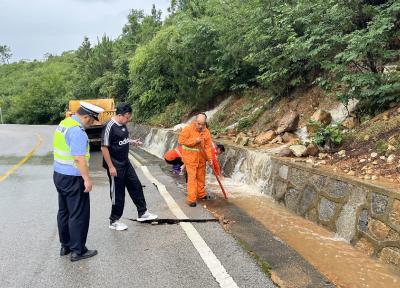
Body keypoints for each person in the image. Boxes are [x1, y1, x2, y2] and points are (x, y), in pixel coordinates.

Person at [53, 101, 103, 262]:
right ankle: (78, 250)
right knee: (78, 213)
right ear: (86, 116)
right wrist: (87, 179)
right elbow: (78, 158)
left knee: (64, 211)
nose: (92, 124)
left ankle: (65, 246)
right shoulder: (77, 132)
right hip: (74, 177)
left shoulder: (64, 124)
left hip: (59, 175)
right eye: (92, 120)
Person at [101, 103, 158, 231]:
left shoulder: (123, 124)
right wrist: (111, 167)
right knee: (118, 194)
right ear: (119, 115)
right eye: (127, 117)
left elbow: (121, 140)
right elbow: (104, 147)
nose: (128, 119)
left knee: (136, 186)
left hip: (126, 163)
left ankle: (142, 213)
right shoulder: (109, 126)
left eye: (129, 117)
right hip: (115, 166)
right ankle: (114, 220)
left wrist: (132, 142)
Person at [178, 113, 213, 207]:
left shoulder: (206, 132)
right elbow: (181, 141)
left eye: (203, 124)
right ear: (195, 121)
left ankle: (201, 194)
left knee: (201, 177)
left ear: (205, 123)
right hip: (190, 159)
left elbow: (208, 147)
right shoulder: (188, 129)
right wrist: (194, 141)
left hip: (201, 159)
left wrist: (210, 159)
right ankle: (191, 199)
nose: (200, 126)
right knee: (192, 179)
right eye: (198, 124)